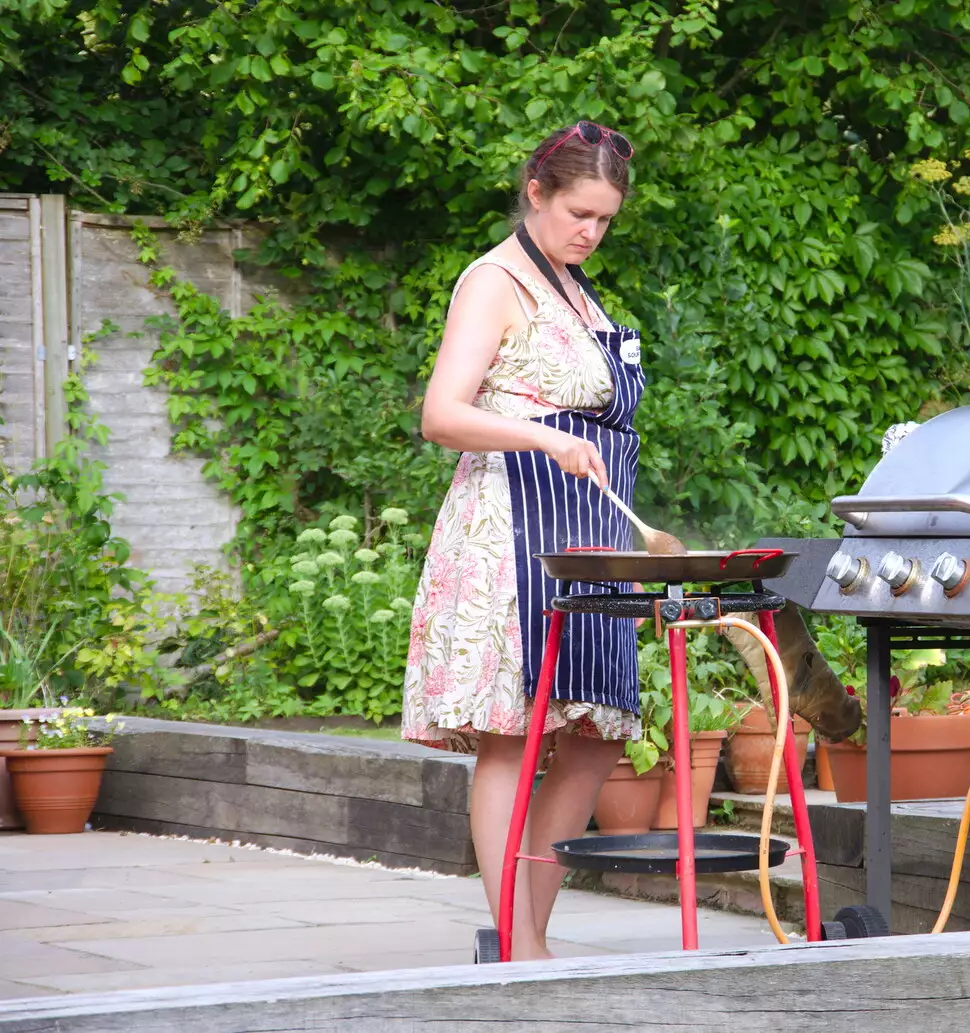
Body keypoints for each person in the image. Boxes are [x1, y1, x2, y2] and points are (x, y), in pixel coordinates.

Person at [403, 120, 640, 961]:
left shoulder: (579, 292)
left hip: (590, 534)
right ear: (536, 192)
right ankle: (520, 941)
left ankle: (527, 931)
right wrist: (542, 436)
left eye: (605, 219)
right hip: (512, 534)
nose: (591, 232)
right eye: (579, 212)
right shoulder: (494, 281)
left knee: (599, 733)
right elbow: (442, 413)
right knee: (513, 732)